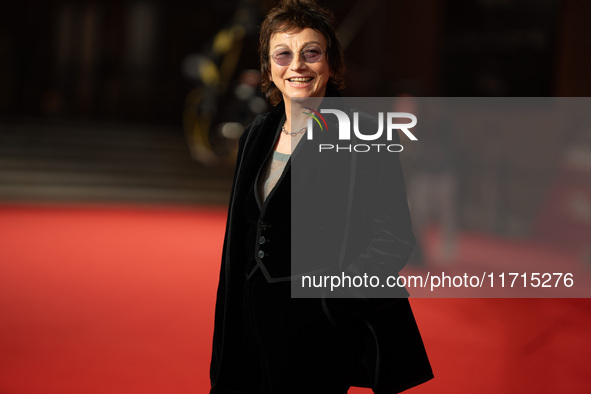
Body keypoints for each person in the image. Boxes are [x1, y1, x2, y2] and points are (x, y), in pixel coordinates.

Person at [210, 1, 433, 393]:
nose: (297, 65)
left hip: (319, 327)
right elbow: (241, 236)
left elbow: (394, 238)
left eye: (311, 52)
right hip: (247, 319)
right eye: (283, 54)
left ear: (331, 64)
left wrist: (335, 303)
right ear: (269, 68)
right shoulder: (256, 134)